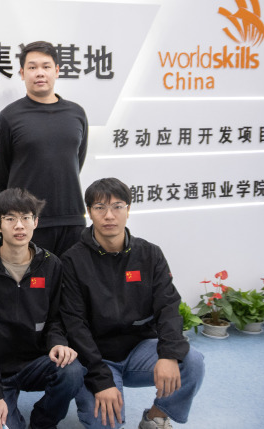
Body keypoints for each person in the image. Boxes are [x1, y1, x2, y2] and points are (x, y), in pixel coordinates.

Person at [60, 178, 205, 429]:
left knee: (191, 362)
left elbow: (168, 307)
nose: (109, 215)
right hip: (95, 357)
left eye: (117, 206)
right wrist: (101, 379)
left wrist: (169, 354)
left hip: (139, 350)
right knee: (106, 422)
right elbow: (75, 326)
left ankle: (155, 417)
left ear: (128, 210)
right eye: (100, 208)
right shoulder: (72, 261)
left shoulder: (150, 254)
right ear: (89, 212)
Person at [0, 188, 84, 429]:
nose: (19, 226)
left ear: (35, 222)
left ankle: (43, 422)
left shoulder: (51, 264)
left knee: (72, 370)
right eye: (10, 219)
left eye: (26, 218)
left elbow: (55, 318)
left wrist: (57, 343)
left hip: (35, 362)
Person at [0, 41, 88, 256]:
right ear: (22, 73)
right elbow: (1, 175)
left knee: (72, 277)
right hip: (26, 222)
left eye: (46, 67)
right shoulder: (8, 117)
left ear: (57, 71)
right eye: (32, 67)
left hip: (71, 219)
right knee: (31, 278)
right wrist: (19, 211)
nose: (40, 73)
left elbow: (77, 161)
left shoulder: (76, 114)